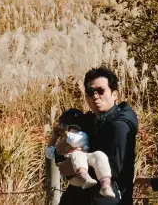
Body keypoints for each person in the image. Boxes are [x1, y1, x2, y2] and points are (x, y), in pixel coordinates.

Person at [57, 67, 138, 205]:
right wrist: (61, 152)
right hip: (80, 197)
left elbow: (114, 168)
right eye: (90, 92)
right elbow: (62, 156)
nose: (95, 96)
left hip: (108, 198)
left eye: (101, 91)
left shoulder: (120, 125)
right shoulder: (87, 122)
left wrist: (73, 167)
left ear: (114, 94)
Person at [48, 109, 117, 198]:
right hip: (75, 176)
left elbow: (74, 140)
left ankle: (105, 185)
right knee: (78, 155)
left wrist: (65, 133)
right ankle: (84, 177)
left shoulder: (81, 135)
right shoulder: (63, 141)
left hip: (84, 160)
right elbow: (49, 154)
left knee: (99, 155)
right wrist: (54, 138)